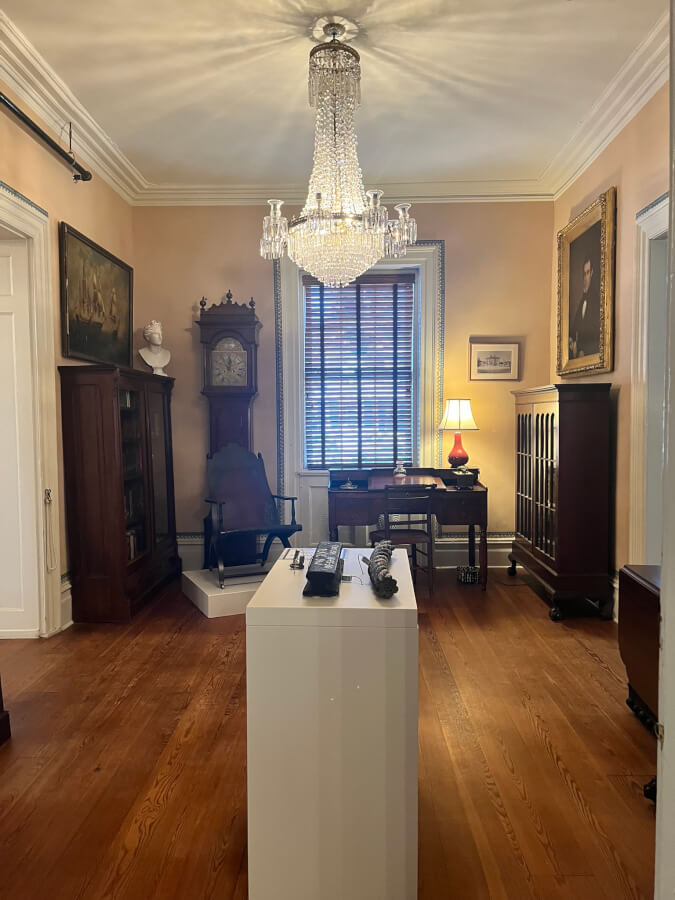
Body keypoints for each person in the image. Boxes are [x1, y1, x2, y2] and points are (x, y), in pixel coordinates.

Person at [569, 256, 600, 359]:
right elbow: (575, 327)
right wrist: (572, 342)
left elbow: (595, 335)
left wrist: (583, 349)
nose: (585, 278)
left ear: (592, 274)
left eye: (587, 273)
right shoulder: (583, 300)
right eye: (584, 274)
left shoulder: (596, 301)